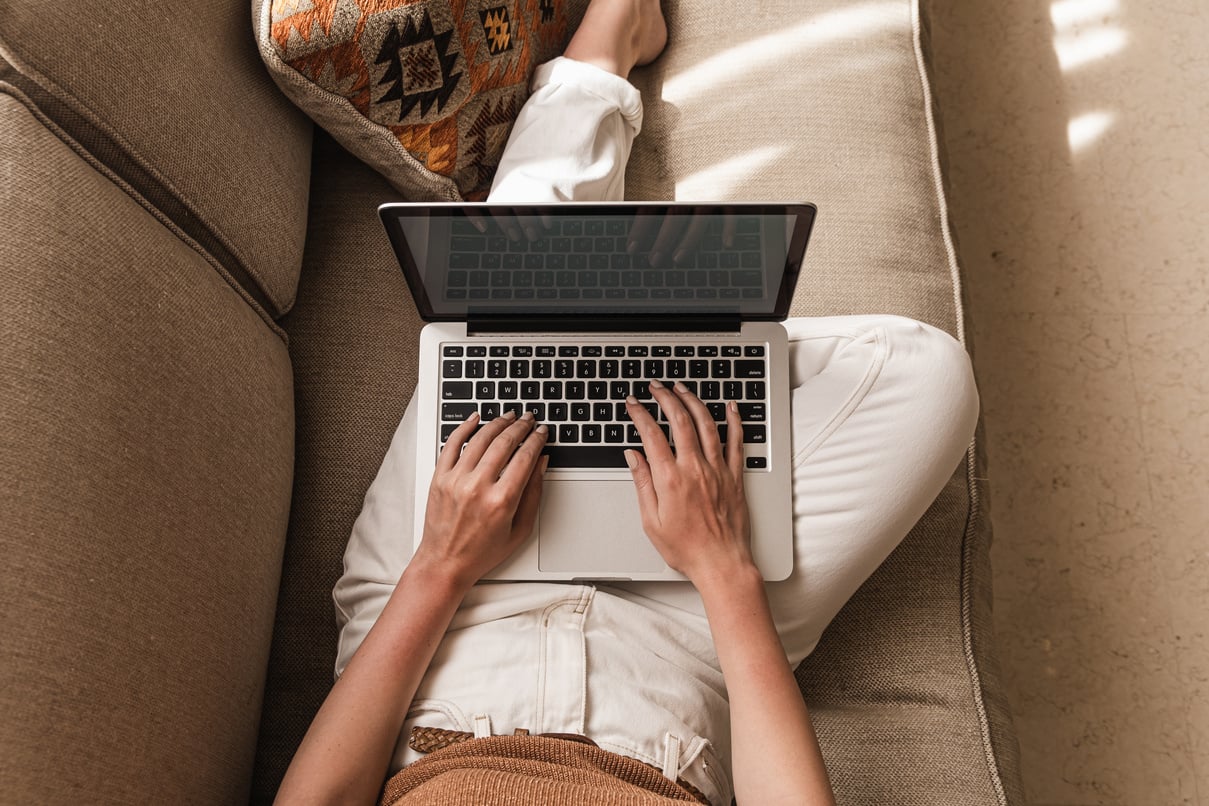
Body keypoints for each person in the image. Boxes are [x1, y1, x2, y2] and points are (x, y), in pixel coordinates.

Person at [276, 0, 979, 803]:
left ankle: (604, 54)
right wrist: (721, 566)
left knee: (515, 309)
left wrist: (441, 561)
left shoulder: (444, 574)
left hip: (448, 625)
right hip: (685, 655)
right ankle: (672, 348)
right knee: (925, 374)